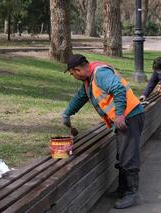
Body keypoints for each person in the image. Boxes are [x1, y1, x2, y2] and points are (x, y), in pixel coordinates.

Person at [62, 54, 144, 209]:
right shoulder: (89, 79)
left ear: (77, 70)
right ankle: (122, 189)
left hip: (130, 117)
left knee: (128, 156)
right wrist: (67, 113)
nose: (73, 76)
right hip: (126, 118)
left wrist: (119, 115)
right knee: (123, 155)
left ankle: (132, 193)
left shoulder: (100, 73)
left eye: (72, 73)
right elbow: (81, 97)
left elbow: (118, 89)